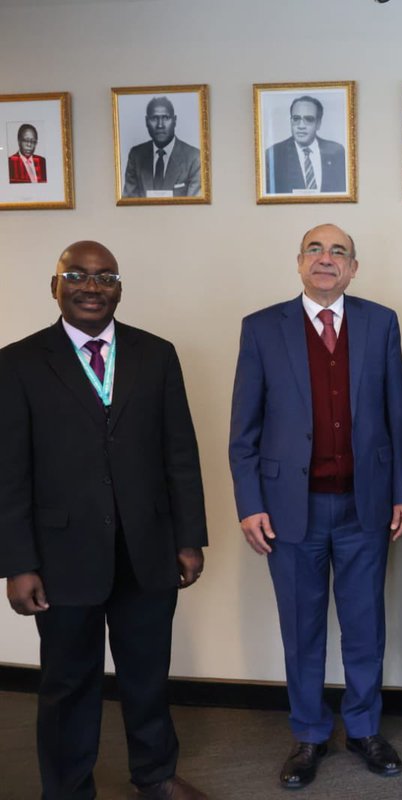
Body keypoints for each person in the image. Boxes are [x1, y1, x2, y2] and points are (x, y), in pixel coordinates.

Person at [0, 241, 208, 799]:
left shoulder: (156, 354)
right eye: (77, 275)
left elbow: (180, 453)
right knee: (68, 683)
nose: (92, 286)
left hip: (149, 549)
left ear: (118, 288)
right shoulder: (17, 362)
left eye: (105, 277)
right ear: (56, 286)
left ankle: (156, 775)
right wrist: (16, 563)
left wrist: (190, 539)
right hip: (61, 554)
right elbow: (9, 472)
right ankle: (67, 789)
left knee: (147, 676)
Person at [228, 224, 402, 789]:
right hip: (290, 511)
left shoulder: (380, 322)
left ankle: (362, 728)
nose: (326, 259)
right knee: (301, 628)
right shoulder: (262, 329)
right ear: (299, 262)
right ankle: (309, 734)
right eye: (316, 249)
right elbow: (245, 430)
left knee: (364, 627)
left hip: (365, 507)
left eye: (339, 252)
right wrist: (250, 504)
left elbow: (396, 415)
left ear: (354, 268)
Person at [264, 96, 347, 194]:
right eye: (296, 119)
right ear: (291, 122)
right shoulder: (274, 155)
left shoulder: (337, 152)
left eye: (308, 119)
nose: (301, 126)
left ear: (318, 123)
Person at [122, 97, 202, 198]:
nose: (160, 125)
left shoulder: (194, 157)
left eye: (166, 118)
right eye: (154, 118)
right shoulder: (136, 155)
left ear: (175, 120)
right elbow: (129, 204)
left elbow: (195, 208)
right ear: (147, 121)